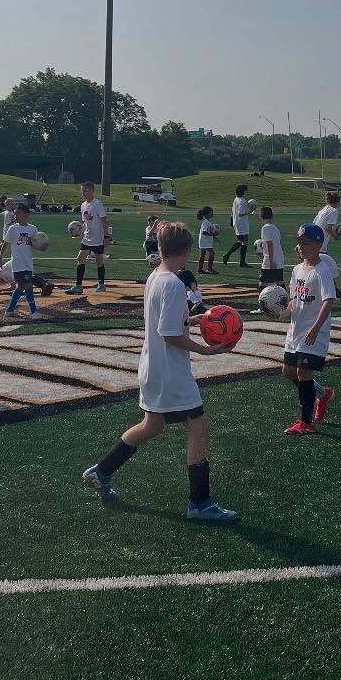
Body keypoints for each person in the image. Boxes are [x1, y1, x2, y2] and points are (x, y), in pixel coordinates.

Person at [81, 221, 238, 521]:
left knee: (152, 426)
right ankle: (200, 503)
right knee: (199, 427)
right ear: (187, 250)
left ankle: (101, 472)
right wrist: (207, 350)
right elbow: (169, 334)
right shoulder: (174, 283)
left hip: (153, 367)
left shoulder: (157, 276)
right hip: (170, 373)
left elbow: (167, 324)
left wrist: (201, 319)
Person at [282, 223, 336, 435]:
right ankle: (323, 394)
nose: (302, 246)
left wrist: (315, 328)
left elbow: (329, 301)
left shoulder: (322, 270)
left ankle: (306, 422)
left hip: (314, 333)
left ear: (319, 245)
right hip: (295, 331)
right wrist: (282, 312)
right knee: (288, 372)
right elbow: (294, 300)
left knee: (304, 374)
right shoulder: (296, 270)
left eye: (307, 243)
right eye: (300, 242)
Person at [2, 202, 45, 320]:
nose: (15, 216)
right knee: (28, 286)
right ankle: (34, 312)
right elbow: (5, 244)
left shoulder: (33, 229)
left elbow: (36, 244)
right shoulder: (13, 229)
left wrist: (43, 247)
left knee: (20, 287)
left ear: (26, 214)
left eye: (18, 213)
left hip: (28, 264)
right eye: (15, 214)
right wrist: (0, 259)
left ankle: (10, 310)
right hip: (17, 264)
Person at [67, 181, 111, 295]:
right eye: (82, 191)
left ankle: (101, 284)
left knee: (99, 261)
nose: (83, 193)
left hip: (98, 238)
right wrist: (79, 231)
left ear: (92, 191)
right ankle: (78, 286)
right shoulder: (83, 205)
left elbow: (104, 221)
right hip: (87, 238)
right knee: (80, 258)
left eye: (85, 191)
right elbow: (84, 222)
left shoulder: (97, 204)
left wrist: (106, 236)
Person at [314, 191, 341, 300]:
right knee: (324, 268)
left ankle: (334, 290)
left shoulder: (324, 209)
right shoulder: (334, 211)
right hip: (320, 244)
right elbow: (328, 228)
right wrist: (336, 236)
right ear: (338, 202)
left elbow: (317, 224)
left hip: (315, 240)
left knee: (325, 267)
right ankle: (327, 292)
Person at [223, 184, 253, 268]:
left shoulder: (236, 199)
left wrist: (231, 221)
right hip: (241, 224)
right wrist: (250, 211)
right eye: (246, 190)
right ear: (243, 191)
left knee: (243, 242)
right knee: (242, 242)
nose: (247, 191)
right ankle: (229, 256)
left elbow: (233, 212)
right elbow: (240, 213)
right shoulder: (242, 200)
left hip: (238, 223)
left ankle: (241, 262)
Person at [257, 205, 284, 287]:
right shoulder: (275, 228)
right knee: (279, 282)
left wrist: (271, 261)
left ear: (261, 216)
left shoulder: (265, 228)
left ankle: (262, 299)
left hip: (270, 260)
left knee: (263, 283)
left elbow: (270, 244)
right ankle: (285, 298)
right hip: (279, 258)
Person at [196, 206, 218, 275]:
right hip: (205, 242)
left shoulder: (207, 222)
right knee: (212, 253)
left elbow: (207, 232)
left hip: (204, 241)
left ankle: (200, 269)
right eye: (211, 212)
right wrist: (213, 234)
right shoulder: (206, 222)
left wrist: (214, 237)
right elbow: (204, 232)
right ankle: (209, 269)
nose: (212, 214)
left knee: (202, 255)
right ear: (207, 214)